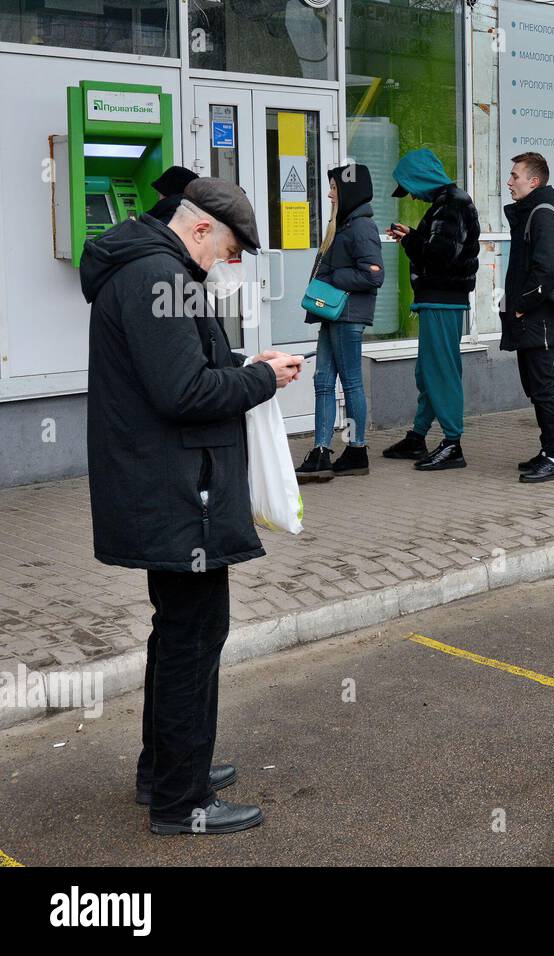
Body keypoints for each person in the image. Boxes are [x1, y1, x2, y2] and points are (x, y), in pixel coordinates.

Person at [82, 178, 302, 835]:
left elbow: (186, 364)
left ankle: (166, 772)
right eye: (226, 249)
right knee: (193, 637)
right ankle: (185, 801)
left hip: (166, 485)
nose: (223, 264)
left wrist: (243, 361)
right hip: (180, 492)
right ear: (200, 229)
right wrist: (261, 379)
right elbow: (182, 392)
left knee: (181, 632)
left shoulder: (148, 265)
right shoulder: (161, 275)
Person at [381, 148, 482, 471]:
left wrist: (411, 242)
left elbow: (439, 255)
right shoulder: (448, 202)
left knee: (440, 371)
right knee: (428, 371)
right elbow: (442, 247)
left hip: (442, 299)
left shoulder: (451, 204)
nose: (410, 197)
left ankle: (453, 444)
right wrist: (414, 235)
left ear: (420, 179)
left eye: (409, 187)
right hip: (440, 299)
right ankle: (418, 436)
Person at [295, 163, 384, 482]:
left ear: (350, 190)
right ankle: (321, 452)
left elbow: (375, 275)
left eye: (335, 187)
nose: (330, 192)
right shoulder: (343, 225)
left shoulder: (361, 227)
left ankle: (357, 450)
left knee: (351, 383)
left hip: (347, 315)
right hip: (331, 314)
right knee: (321, 381)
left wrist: (332, 278)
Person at [502, 152, 554, 482]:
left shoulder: (543, 214)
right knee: (534, 386)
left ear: (534, 181)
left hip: (536, 317)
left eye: (515, 176)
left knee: (544, 387)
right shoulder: (532, 212)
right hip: (528, 316)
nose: (509, 182)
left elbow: (549, 269)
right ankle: (547, 451)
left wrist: (522, 305)